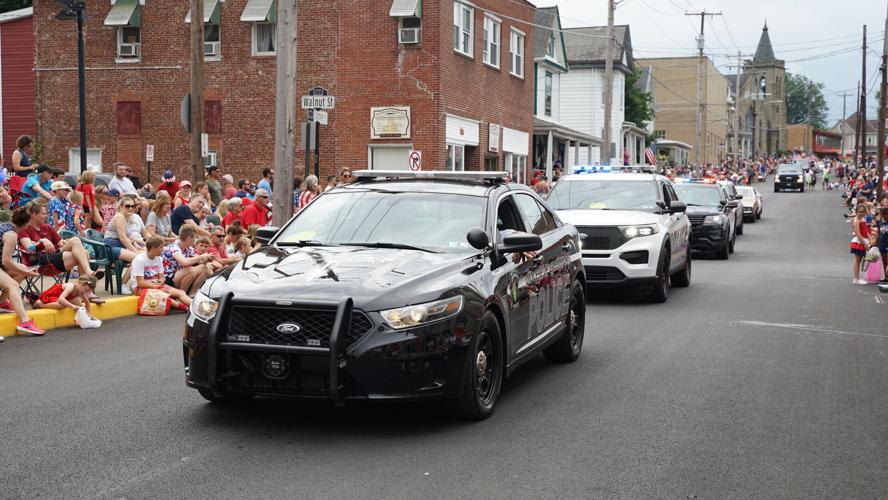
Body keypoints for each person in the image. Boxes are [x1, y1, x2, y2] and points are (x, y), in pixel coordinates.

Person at [15, 204, 96, 280]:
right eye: (43, 214)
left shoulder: (47, 227)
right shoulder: (24, 229)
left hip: (53, 256)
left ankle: (86, 280)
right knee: (84, 253)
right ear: (34, 215)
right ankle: (86, 281)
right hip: (38, 261)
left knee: (75, 240)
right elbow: (30, 248)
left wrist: (65, 242)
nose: (46, 216)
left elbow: (60, 243)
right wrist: (42, 241)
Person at [128, 236, 191, 310]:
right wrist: (157, 287)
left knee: (181, 293)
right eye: (161, 247)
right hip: (140, 288)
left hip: (156, 285)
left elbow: (162, 278)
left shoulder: (159, 259)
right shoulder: (139, 260)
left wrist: (160, 282)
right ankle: (186, 309)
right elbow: (140, 283)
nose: (163, 249)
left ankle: (196, 307)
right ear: (154, 248)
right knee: (163, 295)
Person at [161, 225, 214, 296]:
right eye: (195, 238)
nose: (195, 240)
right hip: (168, 278)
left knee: (204, 268)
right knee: (190, 270)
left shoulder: (188, 248)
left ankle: (192, 295)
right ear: (189, 238)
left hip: (178, 276)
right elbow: (184, 262)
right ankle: (181, 296)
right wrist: (201, 257)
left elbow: (200, 262)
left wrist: (207, 259)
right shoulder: (174, 247)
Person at [32, 275, 99, 320]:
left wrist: (90, 316)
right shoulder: (71, 286)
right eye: (85, 290)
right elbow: (61, 299)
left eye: (88, 292)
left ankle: (88, 317)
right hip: (53, 295)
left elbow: (87, 303)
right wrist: (72, 306)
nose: (85, 292)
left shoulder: (81, 291)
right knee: (62, 305)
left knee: (80, 306)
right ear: (80, 284)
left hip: (62, 297)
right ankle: (40, 304)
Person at [102, 197, 144, 262]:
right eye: (127, 206)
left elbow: (128, 237)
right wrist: (135, 251)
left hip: (120, 245)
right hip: (111, 246)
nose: (130, 208)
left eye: (132, 206)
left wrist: (137, 245)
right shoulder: (120, 216)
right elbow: (123, 238)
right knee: (139, 259)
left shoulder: (127, 217)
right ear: (121, 207)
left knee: (145, 255)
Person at [850, 204, 872, 285]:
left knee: (864, 260)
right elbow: (858, 234)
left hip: (865, 240)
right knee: (857, 261)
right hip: (859, 242)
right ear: (856, 212)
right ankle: (856, 278)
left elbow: (866, 231)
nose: (861, 213)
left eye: (863, 212)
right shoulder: (856, 221)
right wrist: (865, 243)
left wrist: (870, 239)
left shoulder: (864, 219)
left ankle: (858, 278)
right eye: (859, 212)